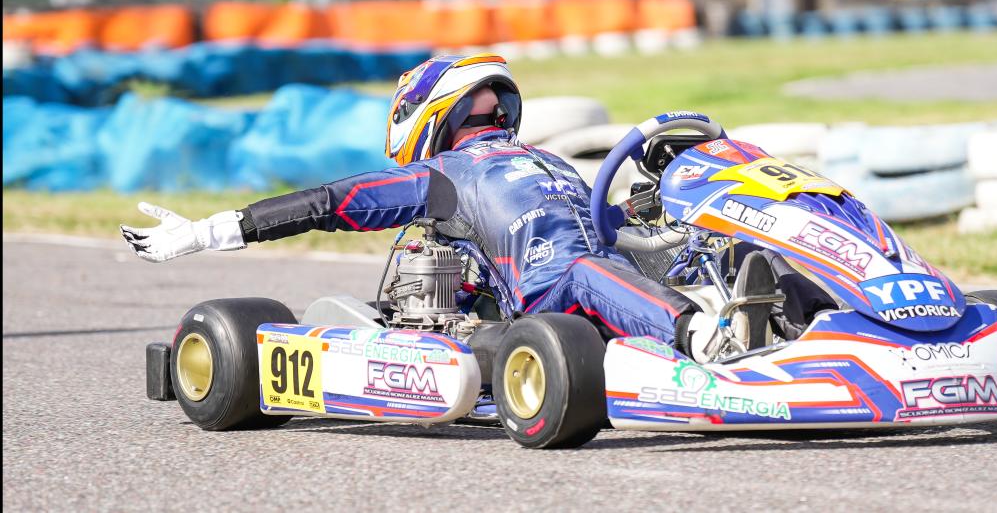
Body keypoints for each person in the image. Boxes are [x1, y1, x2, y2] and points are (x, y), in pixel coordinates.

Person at [121, 54, 726, 358]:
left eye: (496, 104)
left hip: (603, 285)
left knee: (705, 246)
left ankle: (760, 316)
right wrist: (210, 231)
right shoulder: (442, 177)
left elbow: (594, 225)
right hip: (545, 307)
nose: (495, 113)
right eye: (483, 106)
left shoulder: (552, 161)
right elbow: (327, 204)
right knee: (587, 272)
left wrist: (657, 224)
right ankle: (701, 337)